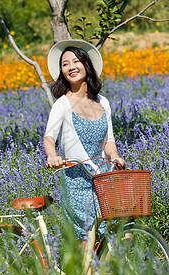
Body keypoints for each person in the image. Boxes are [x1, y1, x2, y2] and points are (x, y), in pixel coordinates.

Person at [43, 39, 124, 241]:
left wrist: (114, 155)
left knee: (115, 233)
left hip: (103, 178)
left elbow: (109, 140)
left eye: (76, 61)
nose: (71, 67)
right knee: (84, 239)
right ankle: (81, 272)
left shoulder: (103, 102)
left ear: (86, 64)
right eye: (65, 64)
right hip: (77, 182)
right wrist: (52, 156)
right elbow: (49, 137)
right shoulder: (62, 105)